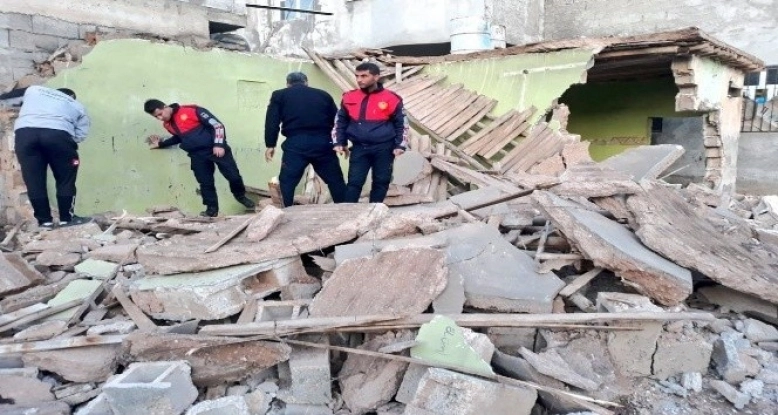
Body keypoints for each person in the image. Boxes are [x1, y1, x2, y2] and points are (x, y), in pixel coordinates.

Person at [143, 99, 255, 217]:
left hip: (216, 150)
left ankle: (240, 196)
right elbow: (179, 137)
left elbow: (217, 126)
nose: (160, 118)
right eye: (156, 117)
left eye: (160, 114)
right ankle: (211, 210)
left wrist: (219, 144)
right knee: (205, 183)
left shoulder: (192, 110)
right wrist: (161, 144)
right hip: (197, 155)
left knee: (234, 177)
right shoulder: (167, 125)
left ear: (165, 107)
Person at [12, 85, 91, 229]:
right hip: (58, 135)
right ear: (71, 97)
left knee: (34, 180)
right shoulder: (76, 105)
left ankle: (45, 222)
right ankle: (67, 219)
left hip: (25, 134)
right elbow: (80, 135)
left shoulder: (34, 90)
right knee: (66, 178)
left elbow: (12, 99)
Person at [265, 72, 346, 207]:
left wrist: (270, 144)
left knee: (287, 182)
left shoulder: (279, 95)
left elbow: (272, 121)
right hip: (323, 142)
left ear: (288, 84)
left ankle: (286, 212)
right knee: (335, 180)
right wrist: (340, 142)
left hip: (296, 144)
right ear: (306, 82)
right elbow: (337, 121)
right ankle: (346, 210)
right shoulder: (323, 95)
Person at [333, 62, 408, 203]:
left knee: (381, 181)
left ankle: (374, 212)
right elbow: (340, 121)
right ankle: (348, 214)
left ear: (376, 77)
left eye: (364, 76)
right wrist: (339, 142)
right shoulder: (349, 97)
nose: (359, 80)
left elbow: (402, 124)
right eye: (357, 76)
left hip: (384, 148)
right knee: (354, 182)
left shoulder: (392, 98)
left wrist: (400, 145)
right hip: (359, 147)